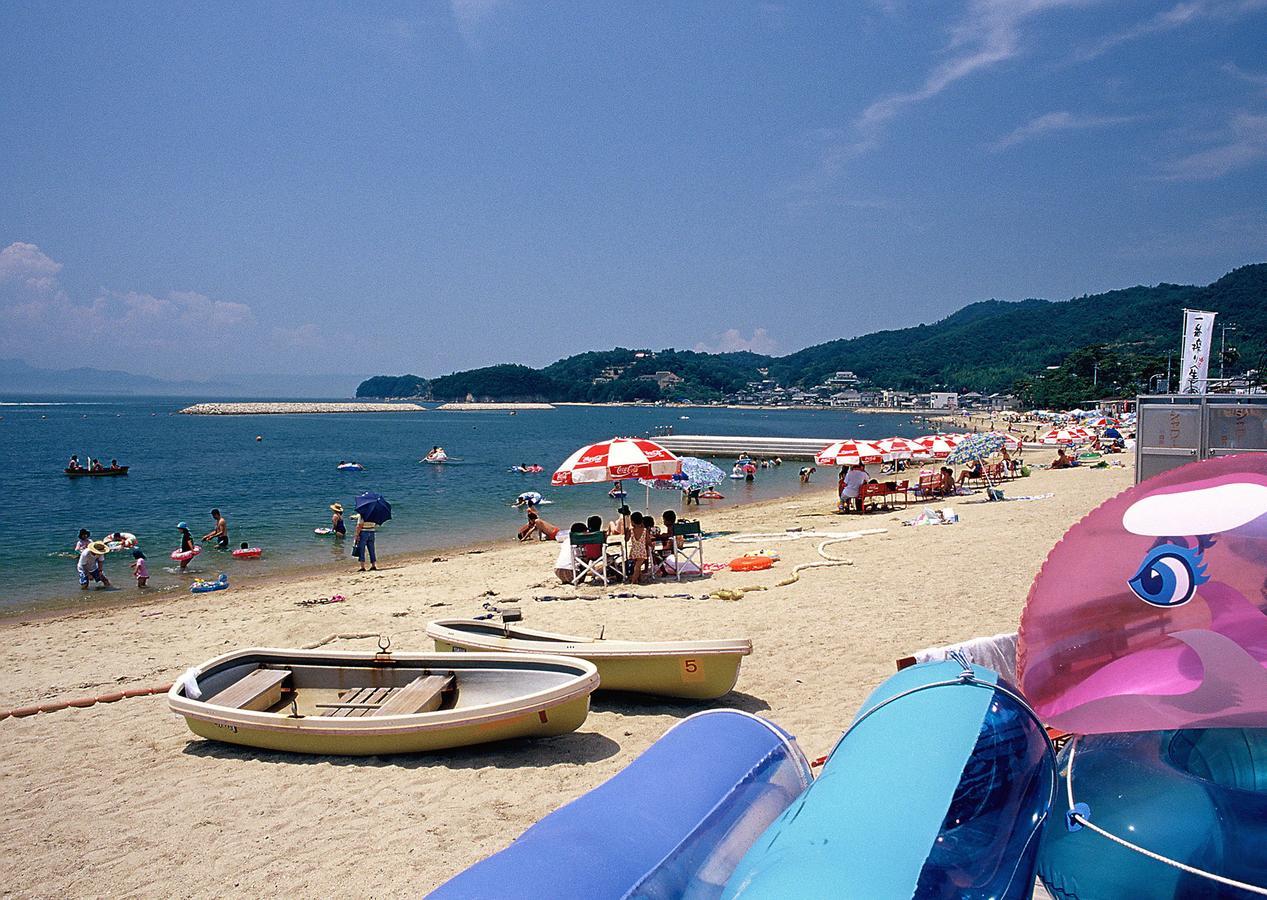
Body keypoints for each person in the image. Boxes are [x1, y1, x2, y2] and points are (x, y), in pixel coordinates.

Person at [627, 512, 652, 584]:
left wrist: (626, 532)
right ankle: (633, 581)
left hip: (634, 551)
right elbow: (648, 541)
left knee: (637, 566)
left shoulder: (631, 531)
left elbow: (626, 539)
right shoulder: (644, 531)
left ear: (632, 522)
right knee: (637, 567)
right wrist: (651, 545)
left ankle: (639, 579)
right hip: (641, 552)